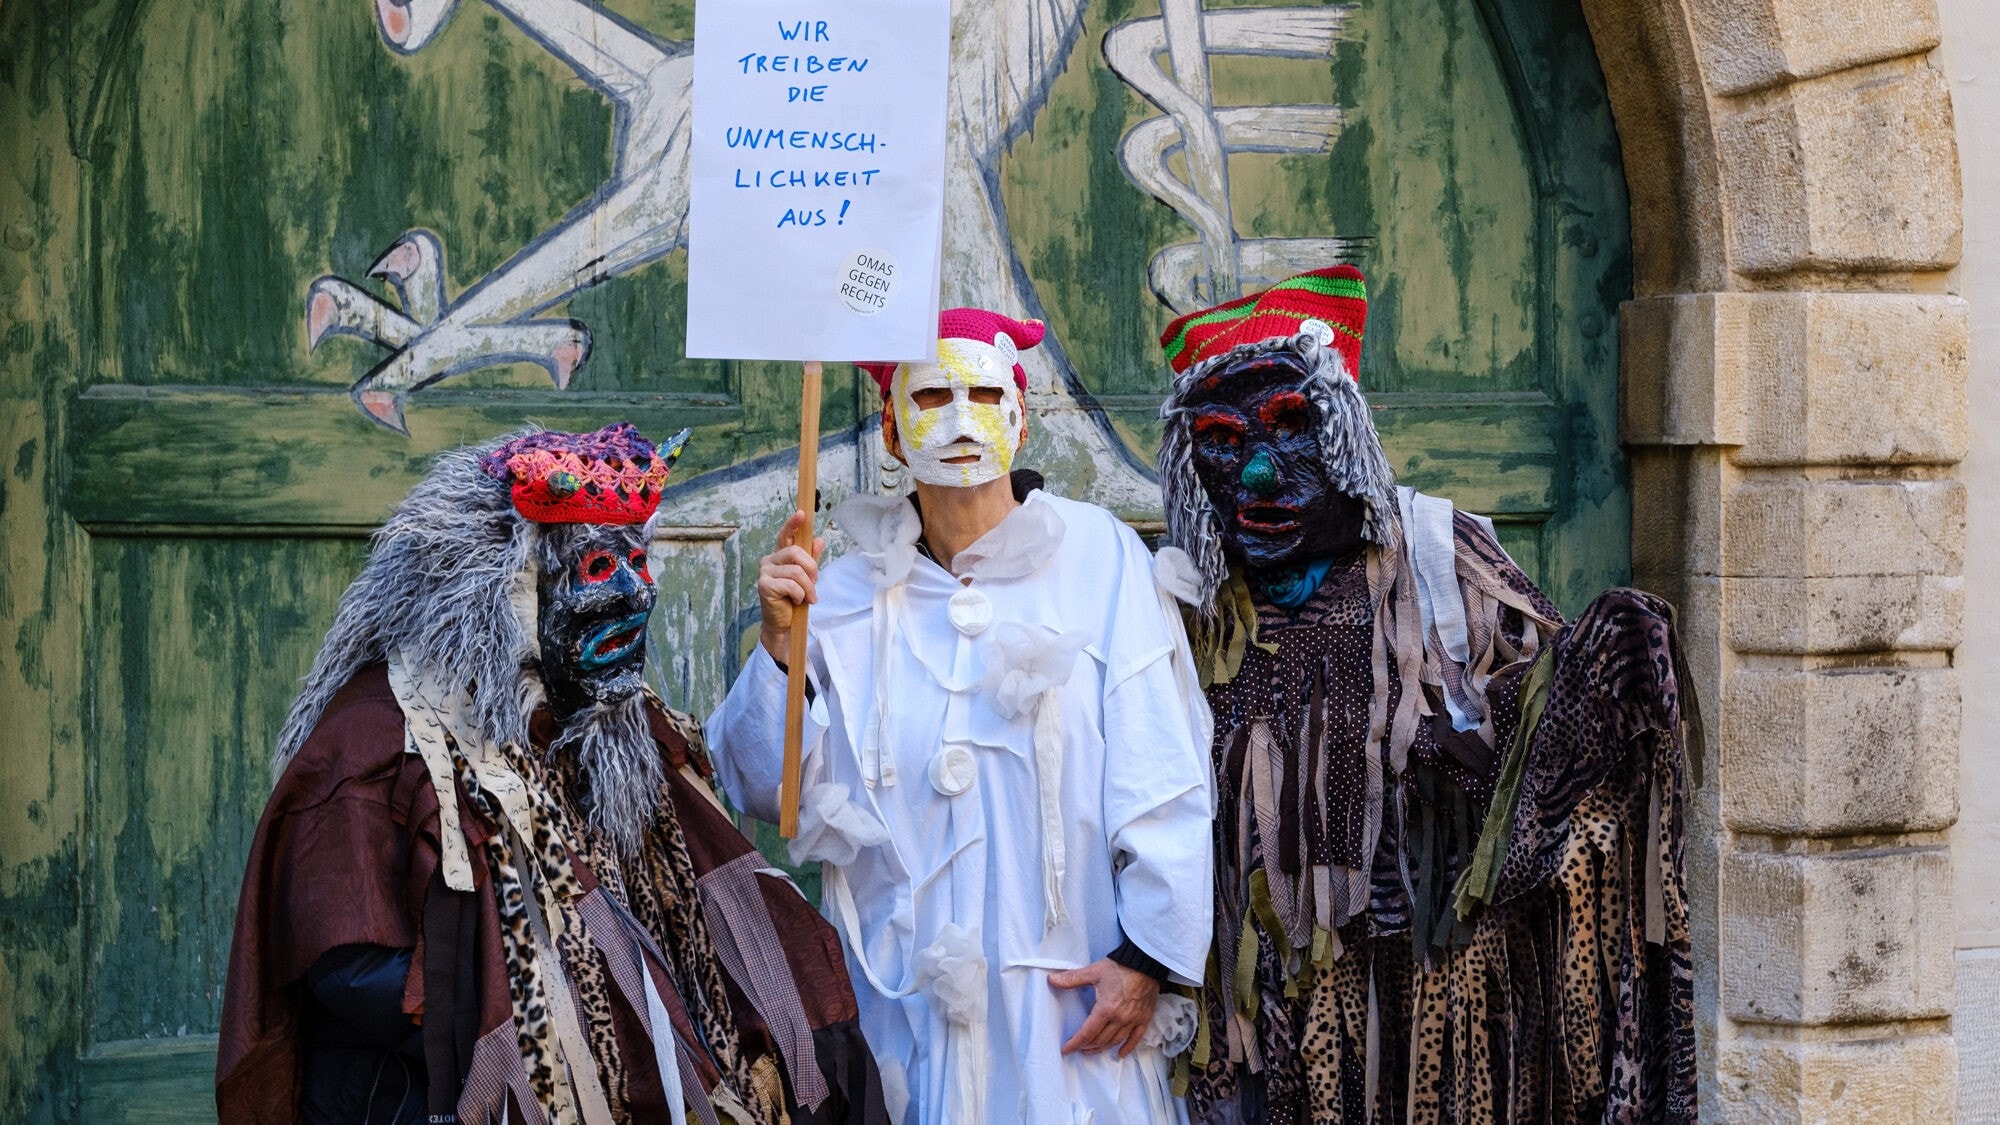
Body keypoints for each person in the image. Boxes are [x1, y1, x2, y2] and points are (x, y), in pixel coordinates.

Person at [217, 423, 887, 1125]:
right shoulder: (380, 741)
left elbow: (707, 896)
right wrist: (542, 990)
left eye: (641, 563)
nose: (637, 594)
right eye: (599, 568)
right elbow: (349, 961)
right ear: (501, 587)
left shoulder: (626, 727)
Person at [1154, 267, 1698, 1122]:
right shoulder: (1182, 610)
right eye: (1223, 439)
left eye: (1294, 426)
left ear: (1348, 437)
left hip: (1435, 1028)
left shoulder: (1444, 561)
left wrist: (1575, 707)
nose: (1259, 471)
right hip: (1258, 1037)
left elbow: (1538, 781)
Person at [706, 308, 1216, 1124]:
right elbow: (767, 787)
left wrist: (1148, 957)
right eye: (934, 393)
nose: (959, 417)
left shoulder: (1102, 559)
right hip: (905, 1021)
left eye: (983, 392)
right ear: (891, 429)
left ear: (1021, 413)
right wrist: (778, 640)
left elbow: (1164, 769)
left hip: (1073, 1016)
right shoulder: (838, 598)